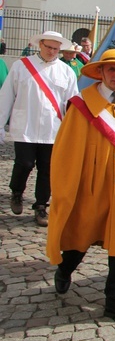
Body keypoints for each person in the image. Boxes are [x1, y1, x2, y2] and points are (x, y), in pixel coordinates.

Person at [46, 49, 115, 324]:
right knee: (81, 237)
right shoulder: (82, 104)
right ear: (101, 73)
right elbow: (67, 151)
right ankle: (64, 269)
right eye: (111, 70)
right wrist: (68, 188)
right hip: (91, 185)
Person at [0, 31, 79, 226]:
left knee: (48, 169)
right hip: (24, 126)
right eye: (48, 47)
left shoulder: (65, 71)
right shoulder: (21, 66)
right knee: (24, 163)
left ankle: (41, 205)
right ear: (40, 45)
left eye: (56, 49)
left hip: (52, 129)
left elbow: (72, 103)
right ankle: (17, 192)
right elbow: (6, 96)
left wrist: (72, 130)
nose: (52, 51)